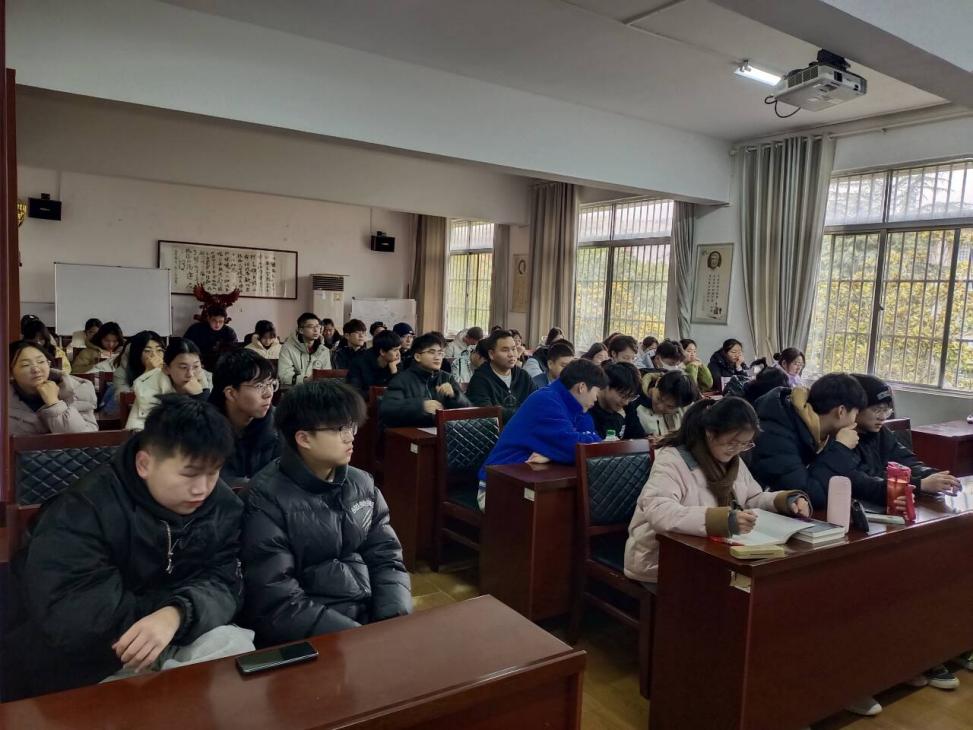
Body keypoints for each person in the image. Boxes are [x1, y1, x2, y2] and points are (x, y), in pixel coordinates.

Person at [5, 395, 254, 699]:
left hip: (177, 632)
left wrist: (177, 613)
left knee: (235, 648)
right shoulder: (83, 509)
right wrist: (170, 608)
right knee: (161, 699)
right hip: (94, 659)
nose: (202, 489)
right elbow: (77, 618)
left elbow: (227, 582)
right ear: (144, 464)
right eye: (189, 474)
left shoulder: (222, 505)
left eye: (213, 472)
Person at [240, 380, 411, 646]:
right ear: (303, 438)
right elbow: (276, 600)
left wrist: (393, 616)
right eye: (339, 429)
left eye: (352, 426)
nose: (350, 436)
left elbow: (387, 556)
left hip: (372, 620)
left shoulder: (361, 483)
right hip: (316, 637)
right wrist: (357, 638)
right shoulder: (265, 499)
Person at [625, 397, 810, 586]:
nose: (737, 450)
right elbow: (660, 512)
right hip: (661, 562)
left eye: (745, 444)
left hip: (711, 559)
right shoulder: (673, 460)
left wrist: (783, 501)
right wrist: (720, 520)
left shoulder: (733, 462)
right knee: (730, 597)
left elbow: (751, 499)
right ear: (710, 433)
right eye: (732, 443)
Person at [476, 359, 606, 511]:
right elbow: (576, 447)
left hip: (530, 481)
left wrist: (551, 454)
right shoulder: (546, 401)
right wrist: (560, 452)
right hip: (498, 487)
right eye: (596, 392)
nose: (596, 399)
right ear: (582, 387)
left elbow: (590, 444)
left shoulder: (575, 406)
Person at [750, 373, 867, 509]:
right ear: (841, 411)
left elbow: (852, 477)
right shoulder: (777, 432)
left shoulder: (824, 433)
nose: (855, 422)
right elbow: (807, 496)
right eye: (855, 414)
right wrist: (841, 449)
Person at [210, 349, 280, 483]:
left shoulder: (280, 423)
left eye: (271, 384)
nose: (269, 393)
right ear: (231, 393)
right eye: (259, 385)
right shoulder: (202, 428)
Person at [379, 332, 470, 428]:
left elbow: (469, 412)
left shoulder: (447, 378)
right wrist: (421, 406)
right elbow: (387, 410)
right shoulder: (401, 379)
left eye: (440, 353)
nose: (437, 357)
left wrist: (455, 396)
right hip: (412, 433)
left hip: (443, 431)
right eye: (432, 352)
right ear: (417, 357)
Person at [8, 340, 98, 436]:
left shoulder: (76, 390)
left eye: (41, 361)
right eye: (25, 365)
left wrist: (54, 403)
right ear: (10, 373)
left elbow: (84, 438)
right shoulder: (5, 400)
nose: (36, 369)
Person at [127, 338, 212, 430]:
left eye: (196, 366)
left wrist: (200, 395)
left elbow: (213, 428)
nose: (190, 374)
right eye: (183, 367)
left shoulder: (207, 380)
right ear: (166, 368)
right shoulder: (148, 388)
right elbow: (142, 430)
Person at [467, 330, 537, 423]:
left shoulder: (523, 376)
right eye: (505, 350)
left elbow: (538, 402)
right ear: (491, 354)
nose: (511, 354)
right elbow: (487, 413)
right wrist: (525, 415)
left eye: (513, 349)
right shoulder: (480, 379)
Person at [636, 369, 700, 441]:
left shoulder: (688, 409)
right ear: (657, 382)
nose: (660, 407)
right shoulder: (634, 405)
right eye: (659, 398)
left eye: (670, 406)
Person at [588, 362, 646, 440]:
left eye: (631, 397)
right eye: (623, 396)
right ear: (605, 385)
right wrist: (617, 418)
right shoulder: (588, 407)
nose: (626, 402)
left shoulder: (627, 407)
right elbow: (601, 442)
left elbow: (639, 437)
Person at [278, 313, 332, 386]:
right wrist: (305, 380)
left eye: (317, 326)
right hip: (295, 389)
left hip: (318, 389)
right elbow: (284, 375)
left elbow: (327, 374)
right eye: (311, 327)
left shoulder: (324, 350)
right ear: (301, 330)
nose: (316, 330)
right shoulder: (287, 348)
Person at [346, 329, 402, 398]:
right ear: (382, 352)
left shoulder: (395, 362)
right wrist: (378, 392)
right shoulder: (358, 363)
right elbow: (354, 393)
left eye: (399, 349)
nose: (399, 354)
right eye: (395, 350)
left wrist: (394, 371)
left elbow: (402, 390)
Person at [113, 330, 165, 394]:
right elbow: (126, 397)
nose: (154, 355)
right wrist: (147, 372)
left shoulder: (169, 368)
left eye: (159, 350)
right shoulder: (122, 372)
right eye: (147, 350)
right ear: (137, 353)